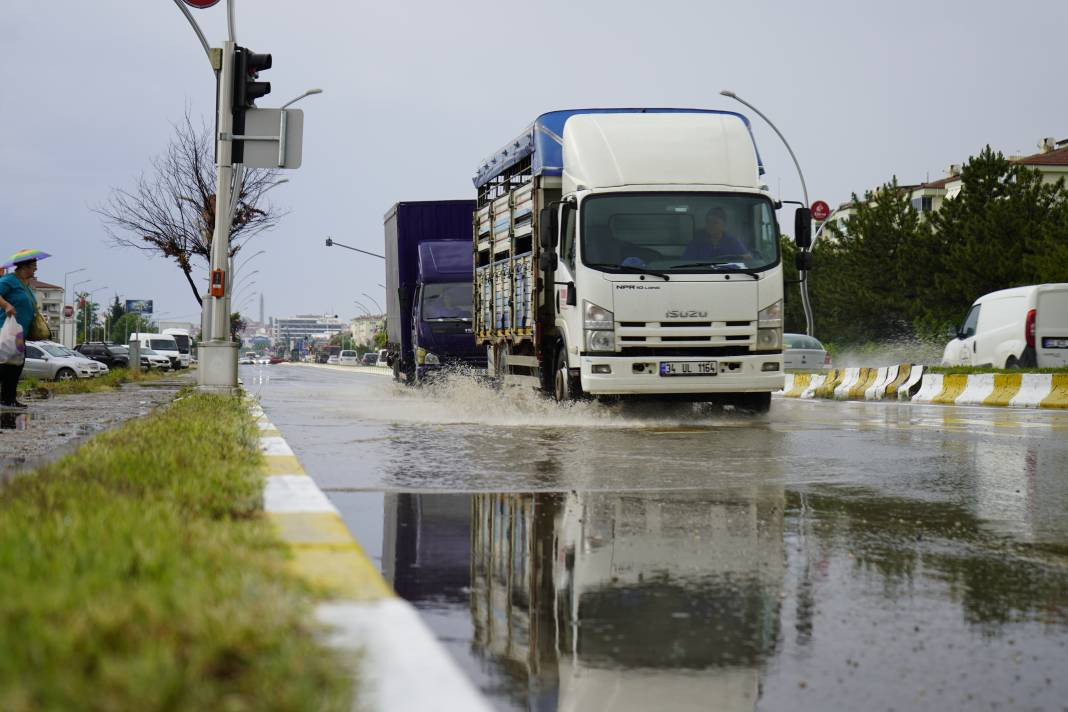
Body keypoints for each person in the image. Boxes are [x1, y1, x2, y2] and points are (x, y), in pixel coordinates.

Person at [0, 249, 52, 410]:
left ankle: (10, 399)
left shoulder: (26, 285)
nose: (36, 269)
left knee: (17, 365)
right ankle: (5, 399)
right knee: (6, 365)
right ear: (24, 267)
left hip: (20, 333)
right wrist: (7, 305)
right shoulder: (9, 280)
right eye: (34, 266)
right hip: (6, 330)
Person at [682, 207, 750, 261]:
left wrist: (744, 257)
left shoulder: (733, 242)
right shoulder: (696, 243)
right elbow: (686, 262)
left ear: (724, 225)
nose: (710, 225)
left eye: (715, 223)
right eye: (708, 221)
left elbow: (748, 258)